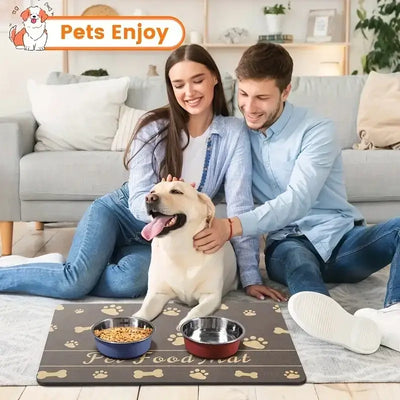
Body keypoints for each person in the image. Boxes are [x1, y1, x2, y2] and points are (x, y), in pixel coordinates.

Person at [0, 44, 285, 302]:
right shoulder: (153, 128)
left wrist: (250, 277)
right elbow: (137, 197)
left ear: (214, 78)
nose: (190, 92)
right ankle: (60, 271)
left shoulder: (233, 133)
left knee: (132, 282)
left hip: (162, 235)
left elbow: (240, 204)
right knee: (73, 285)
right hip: (120, 214)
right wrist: (158, 196)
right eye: (179, 84)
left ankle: (75, 267)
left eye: (198, 80)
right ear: (171, 89)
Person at [194, 42, 400, 354]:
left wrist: (231, 226)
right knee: (298, 261)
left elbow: (298, 201)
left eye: (262, 97)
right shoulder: (237, 134)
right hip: (286, 244)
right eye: (244, 94)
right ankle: (330, 319)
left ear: (286, 91)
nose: (249, 107)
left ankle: (392, 318)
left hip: (341, 241)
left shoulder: (317, 130)